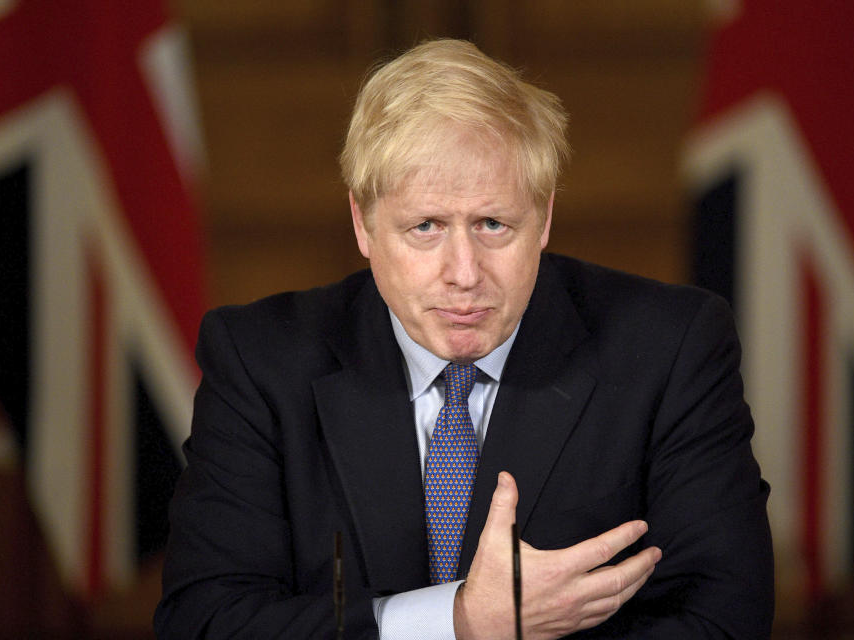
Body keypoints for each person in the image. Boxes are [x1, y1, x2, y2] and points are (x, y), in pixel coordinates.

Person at [154, 39, 773, 639]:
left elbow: (725, 618)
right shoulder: (260, 361)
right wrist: (461, 624)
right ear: (362, 224)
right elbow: (205, 621)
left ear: (545, 216)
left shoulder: (672, 347)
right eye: (425, 227)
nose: (465, 273)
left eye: (493, 224)